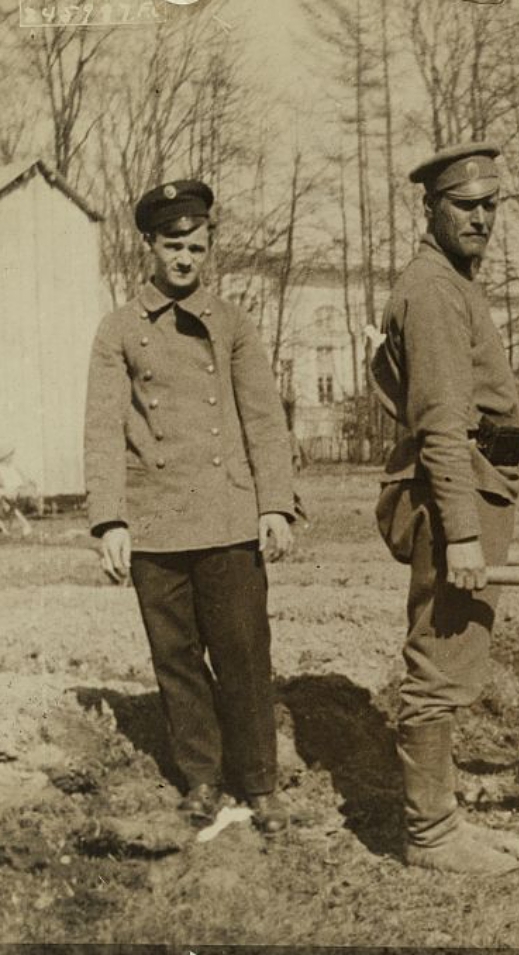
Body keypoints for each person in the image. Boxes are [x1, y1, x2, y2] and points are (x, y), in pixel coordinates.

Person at [84, 180, 295, 834]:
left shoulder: (231, 322)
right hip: (155, 520)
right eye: (173, 244)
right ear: (149, 244)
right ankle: (202, 778)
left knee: (243, 653)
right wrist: (110, 519)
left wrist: (276, 505)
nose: (185, 258)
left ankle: (258, 781)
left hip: (229, 517)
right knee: (175, 659)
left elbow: (264, 419)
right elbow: (102, 427)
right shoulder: (119, 328)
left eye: (196, 246)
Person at [372, 142, 519, 875]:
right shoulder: (434, 290)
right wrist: (463, 534)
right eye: (465, 205)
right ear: (432, 208)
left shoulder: (452, 281)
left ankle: (442, 818)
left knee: (454, 656)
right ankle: (431, 835)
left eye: (491, 204)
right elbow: (440, 424)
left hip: (474, 491)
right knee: (438, 662)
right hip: (455, 501)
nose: (481, 218)